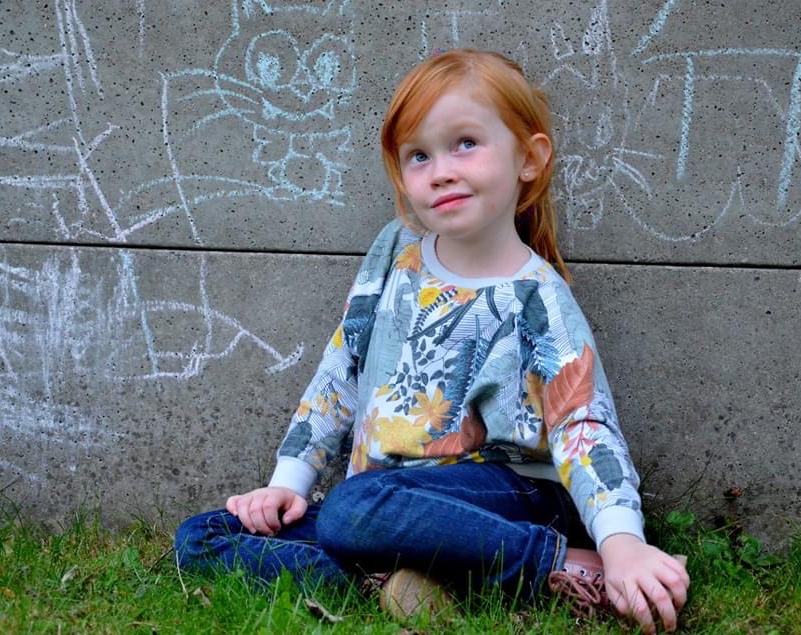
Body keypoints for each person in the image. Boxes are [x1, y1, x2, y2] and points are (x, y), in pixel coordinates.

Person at [175, 49, 689, 633]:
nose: (440, 170)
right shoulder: (395, 251)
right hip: (386, 506)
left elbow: (584, 424)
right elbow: (341, 367)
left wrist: (622, 542)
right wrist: (285, 484)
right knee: (202, 537)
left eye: (465, 143)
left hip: (507, 501)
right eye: (419, 155)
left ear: (529, 158)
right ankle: (399, 579)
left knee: (352, 508)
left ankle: (559, 565)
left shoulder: (536, 296)